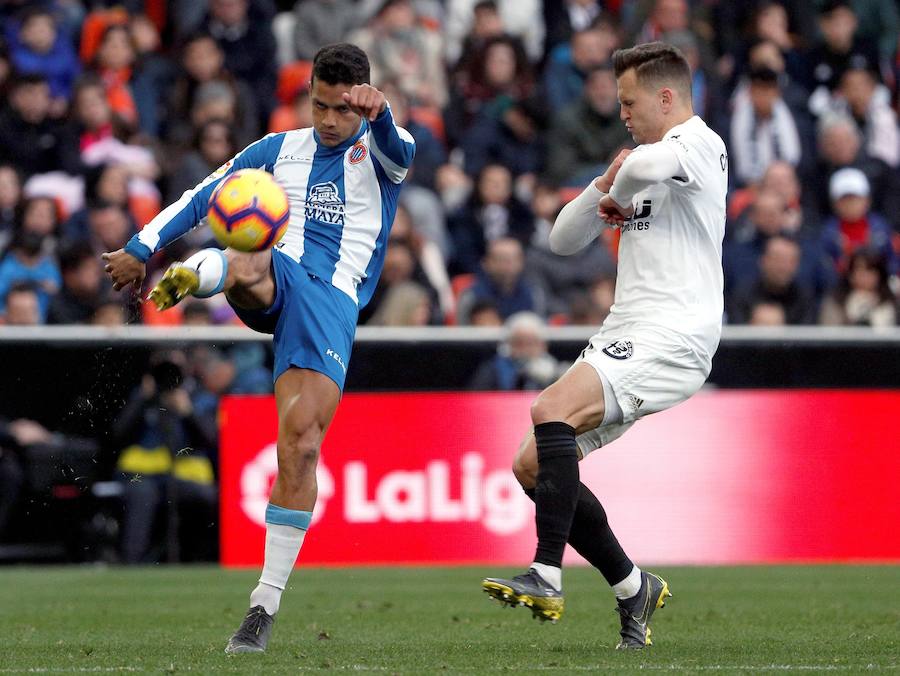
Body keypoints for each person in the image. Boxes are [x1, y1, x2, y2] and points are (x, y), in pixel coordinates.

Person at [103, 43, 414, 654]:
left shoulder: (380, 153)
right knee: (252, 246)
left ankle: (262, 607)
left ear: (362, 103)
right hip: (277, 275)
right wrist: (141, 248)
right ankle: (199, 272)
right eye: (319, 105)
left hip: (330, 301)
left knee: (298, 448)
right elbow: (204, 194)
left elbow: (402, 150)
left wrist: (379, 116)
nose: (328, 120)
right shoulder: (276, 151)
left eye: (340, 111)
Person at [481, 42, 728, 650]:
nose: (622, 113)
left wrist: (625, 173)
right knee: (531, 465)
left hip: (673, 332)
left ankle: (544, 574)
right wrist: (600, 188)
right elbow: (563, 238)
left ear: (666, 98)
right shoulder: (645, 163)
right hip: (624, 332)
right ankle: (630, 587)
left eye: (629, 102)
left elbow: (643, 168)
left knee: (549, 409)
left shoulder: (700, 144)